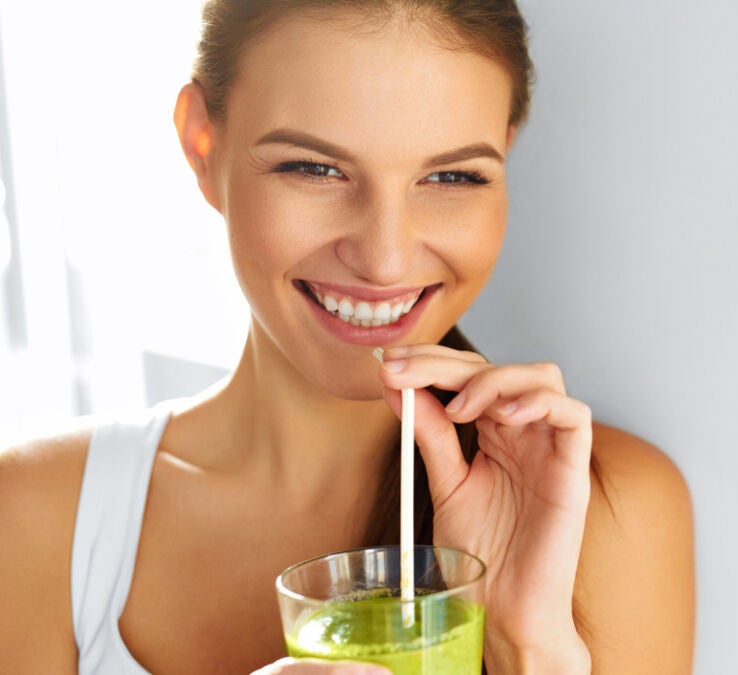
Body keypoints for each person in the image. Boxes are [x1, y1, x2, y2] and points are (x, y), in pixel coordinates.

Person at [0, 1, 695, 673]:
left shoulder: (600, 511)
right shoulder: (36, 516)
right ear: (202, 143)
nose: (385, 260)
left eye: (452, 175)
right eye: (315, 168)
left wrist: (527, 651)